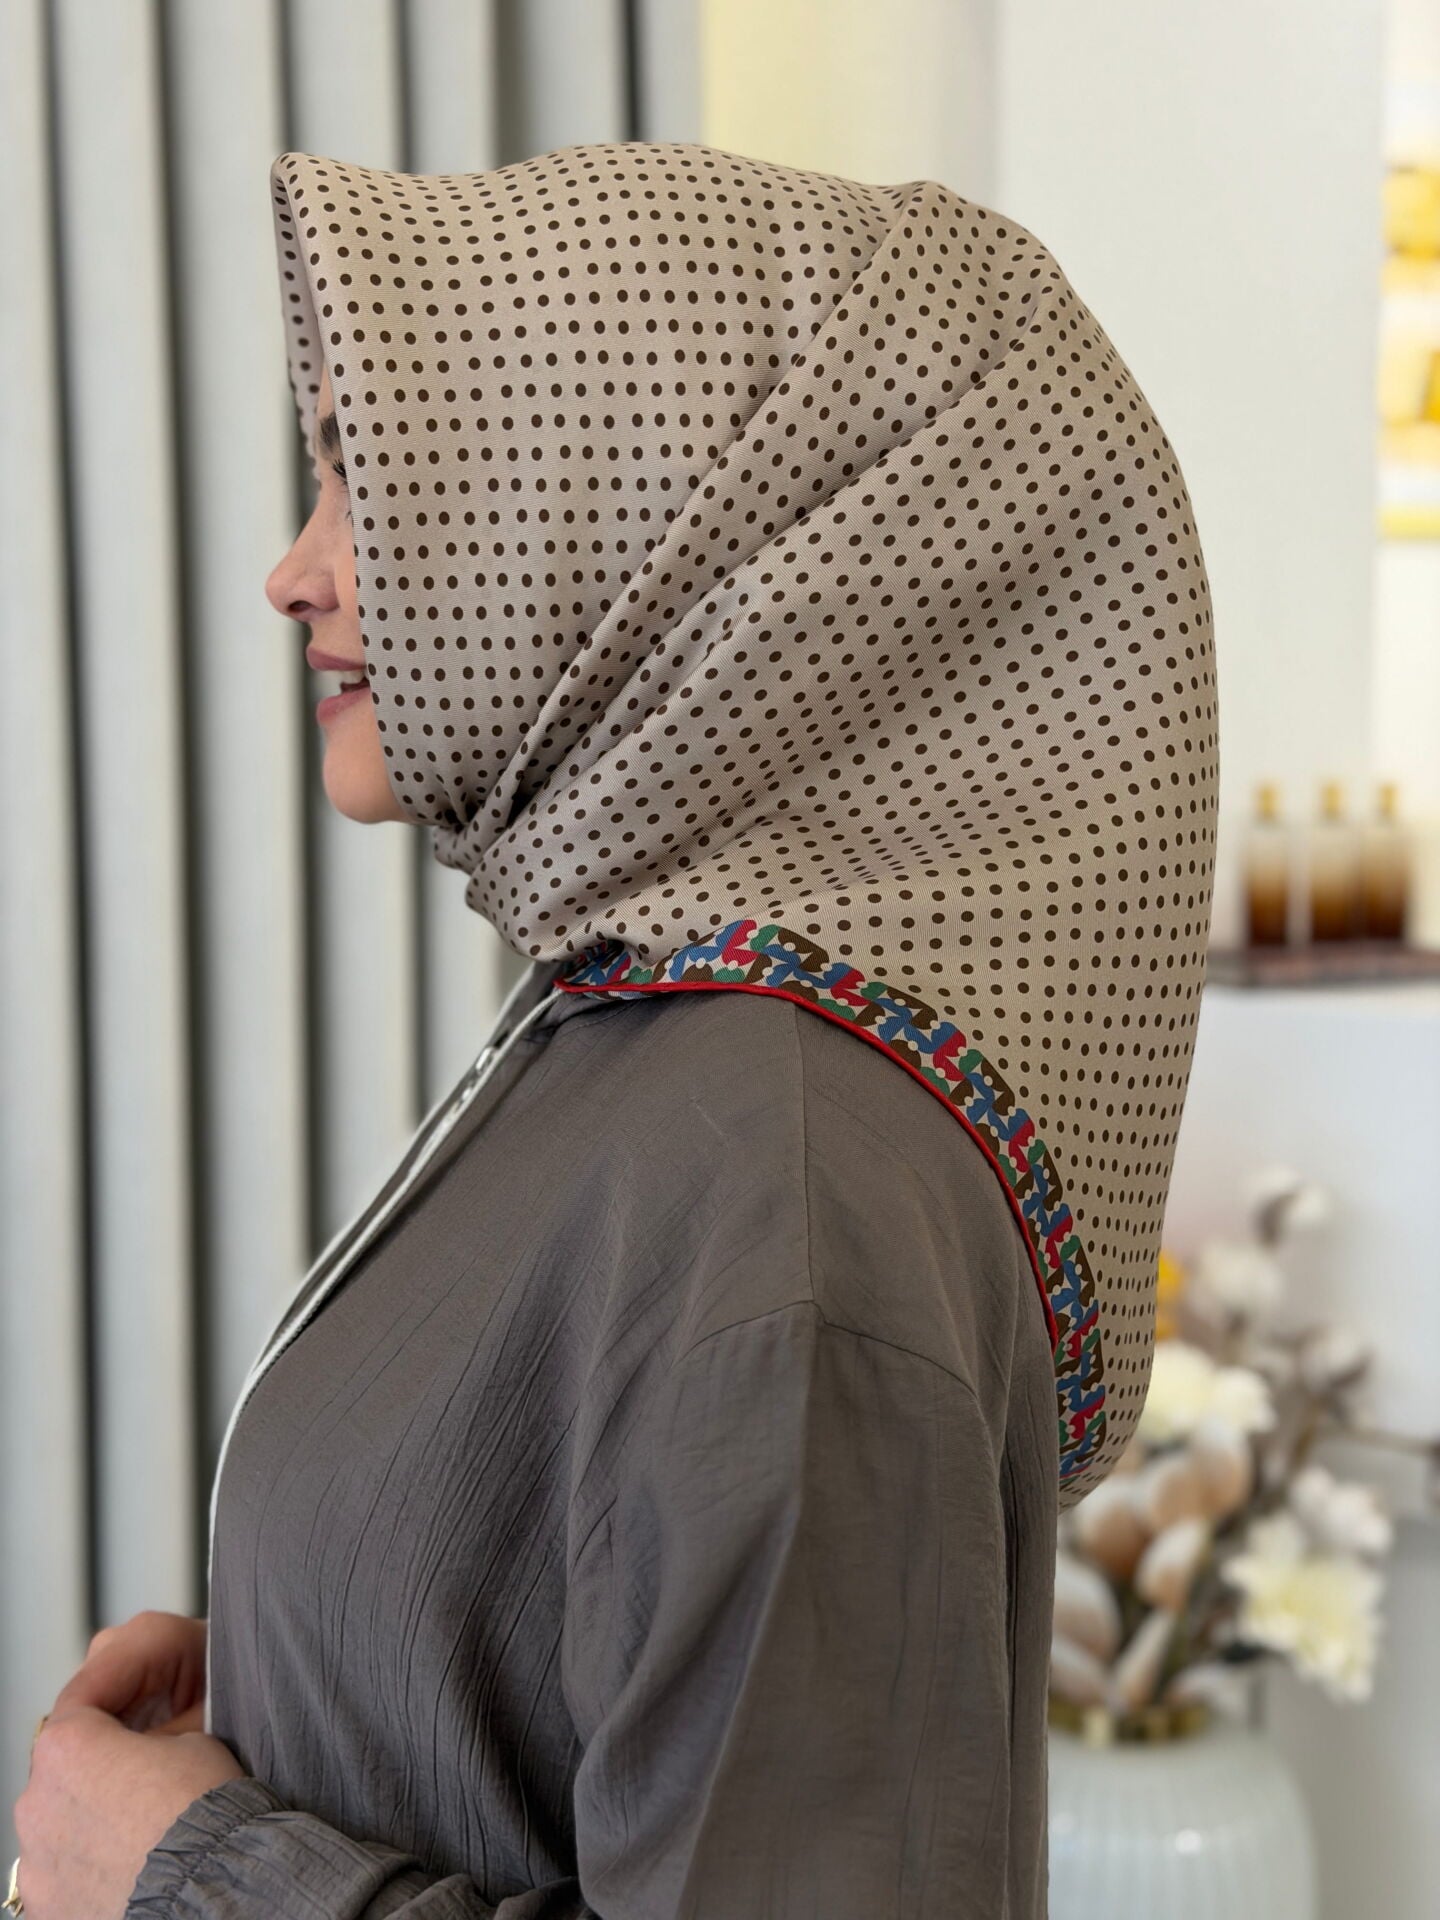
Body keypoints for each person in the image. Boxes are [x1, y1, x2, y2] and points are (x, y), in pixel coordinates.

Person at [16, 140, 1216, 1919]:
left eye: (368, 477)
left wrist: (189, 1874)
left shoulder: (786, 1174)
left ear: (635, 514)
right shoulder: (648, 1040)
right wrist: (326, 1678)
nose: (296, 573)